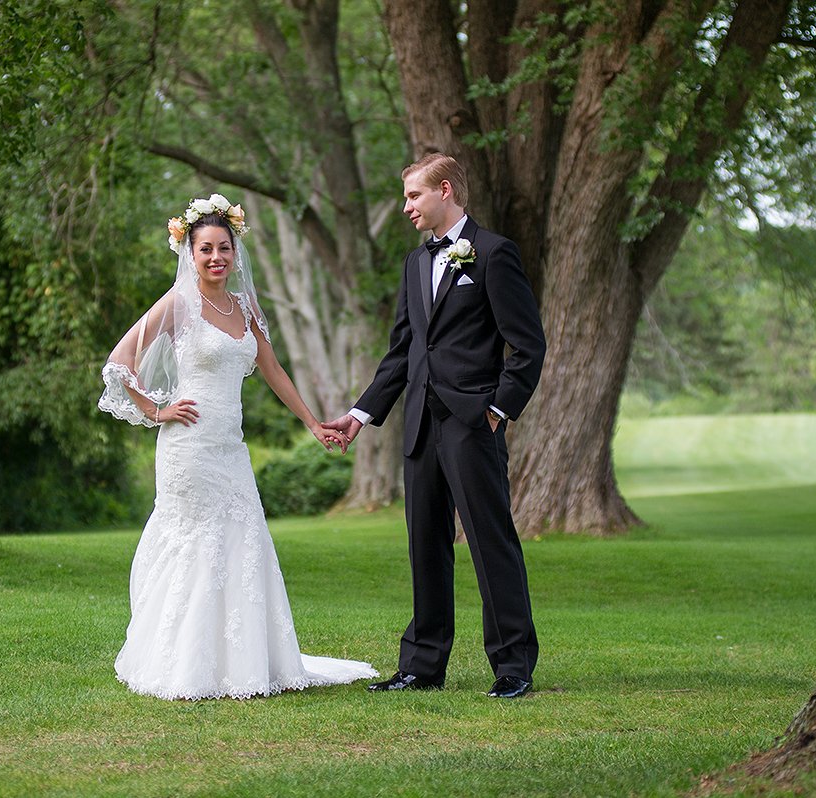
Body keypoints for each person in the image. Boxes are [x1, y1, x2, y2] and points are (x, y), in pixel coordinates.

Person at [98, 193, 376, 700]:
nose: (215, 258)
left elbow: (271, 370)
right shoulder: (178, 305)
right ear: (190, 252)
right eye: (205, 249)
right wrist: (157, 410)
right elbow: (119, 363)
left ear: (235, 250)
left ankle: (243, 662)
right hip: (188, 448)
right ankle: (183, 663)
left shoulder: (244, 307)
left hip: (231, 447)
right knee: (197, 545)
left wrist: (313, 423)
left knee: (241, 543)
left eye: (223, 248)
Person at [323, 154, 546, 699]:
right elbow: (402, 352)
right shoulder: (413, 263)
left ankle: (513, 666)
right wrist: (358, 415)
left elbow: (528, 345)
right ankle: (422, 666)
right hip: (420, 424)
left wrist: (497, 410)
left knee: (491, 542)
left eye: (413, 197)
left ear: (445, 191)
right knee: (425, 544)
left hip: (474, 425)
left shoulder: (494, 255)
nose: (406, 208)